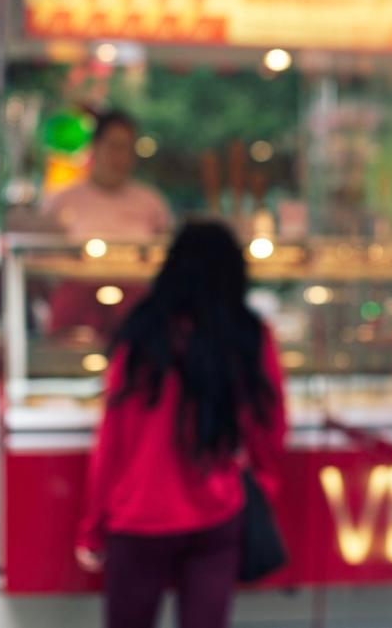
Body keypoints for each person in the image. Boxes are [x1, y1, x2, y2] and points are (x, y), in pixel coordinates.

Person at [75, 220, 287, 628]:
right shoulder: (249, 335)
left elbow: (113, 439)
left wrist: (92, 526)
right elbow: (270, 430)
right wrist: (262, 487)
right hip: (218, 510)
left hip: (138, 516)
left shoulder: (142, 334)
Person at [44, 108, 172, 239]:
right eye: (113, 146)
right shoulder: (61, 202)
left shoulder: (152, 203)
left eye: (126, 148)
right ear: (95, 147)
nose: (120, 157)